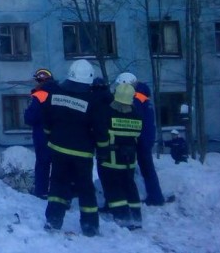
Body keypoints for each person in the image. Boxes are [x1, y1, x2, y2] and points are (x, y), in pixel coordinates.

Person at [42, 59, 105, 237]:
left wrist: (50, 136)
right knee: (85, 188)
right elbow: (99, 128)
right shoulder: (93, 100)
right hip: (82, 153)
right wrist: (102, 148)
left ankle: (53, 219)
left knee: (57, 184)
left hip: (58, 148)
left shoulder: (55, 93)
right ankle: (90, 226)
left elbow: (46, 119)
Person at [97, 82, 144, 230]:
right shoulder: (137, 115)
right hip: (130, 160)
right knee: (130, 186)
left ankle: (123, 217)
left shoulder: (108, 113)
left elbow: (101, 134)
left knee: (113, 187)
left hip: (110, 159)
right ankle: (136, 216)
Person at [130, 79, 166, 206]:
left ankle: (155, 197)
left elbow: (134, 116)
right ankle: (156, 195)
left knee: (146, 169)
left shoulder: (137, 99)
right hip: (148, 137)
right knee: (148, 169)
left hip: (141, 139)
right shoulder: (147, 101)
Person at [24, 68, 56, 199]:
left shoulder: (40, 95)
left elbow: (30, 118)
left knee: (43, 163)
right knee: (59, 164)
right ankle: (59, 191)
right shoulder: (60, 92)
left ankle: (41, 190)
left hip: (42, 134)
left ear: (40, 81)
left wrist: (27, 111)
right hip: (60, 134)